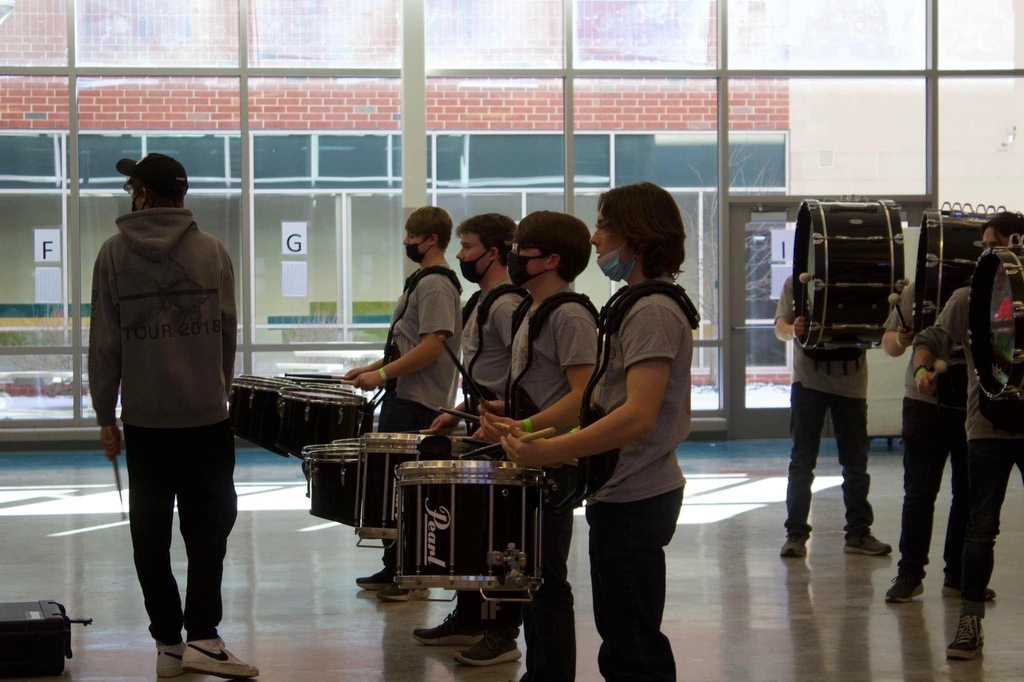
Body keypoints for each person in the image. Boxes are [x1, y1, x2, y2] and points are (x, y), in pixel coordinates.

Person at [502, 182, 695, 681]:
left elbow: (637, 415)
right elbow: (599, 402)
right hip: (620, 489)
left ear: (638, 236)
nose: (594, 239)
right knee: (622, 634)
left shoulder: (652, 310)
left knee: (632, 645)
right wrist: (531, 430)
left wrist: (551, 452)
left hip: (639, 493)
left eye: (605, 226)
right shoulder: (635, 303)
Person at [88, 153, 258, 679]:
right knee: (209, 531)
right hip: (207, 420)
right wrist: (215, 390)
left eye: (131, 186)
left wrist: (105, 413)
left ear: (140, 191)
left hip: (145, 423)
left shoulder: (113, 255)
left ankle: (168, 645)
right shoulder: (213, 252)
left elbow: (105, 342)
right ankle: (204, 636)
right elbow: (228, 334)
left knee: (150, 534)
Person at [477, 209, 598, 681]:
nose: (511, 257)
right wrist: (502, 410)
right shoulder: (530, 310)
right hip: (531, 457)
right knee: (529, 578)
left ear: (550, 259)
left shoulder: (569, 315)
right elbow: (544, 387)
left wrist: (522, 425)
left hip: (555, 463)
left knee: (547, 581)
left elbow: (582, 398)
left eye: (520, 249)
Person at [412, 213, 526, 666]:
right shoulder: (481, 300)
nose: (459, 256)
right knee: (476, 533)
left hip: (504, 433)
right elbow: (482, 375)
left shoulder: (506, 305)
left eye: (467, 247)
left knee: (507, 538)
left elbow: (520, 376)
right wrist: (458, 413)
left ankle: (504, 633)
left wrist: (504, 418)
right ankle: (470, 615)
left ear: (493, 252)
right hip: (479, 425)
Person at [910, 211, 1024, 660]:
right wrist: (921, 366)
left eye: (994, 244)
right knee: (981, 529)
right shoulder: (969, 295)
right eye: (984, 246)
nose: (986, 254)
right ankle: (969, 624)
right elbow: (932, 337)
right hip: (986, 426)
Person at [345, 205, 462, 601]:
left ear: (431, 240)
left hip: (419, 401)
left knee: (409, 490)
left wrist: (382, 376)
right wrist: (374, 367)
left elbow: (432, 346)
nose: (406, 242)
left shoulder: (435, 285)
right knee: (392, 487)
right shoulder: (421, 280)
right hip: (404, 395)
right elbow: (406, 345)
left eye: (413, 236)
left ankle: (411, 572)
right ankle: (395, 565)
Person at [881, 233, 997, 603]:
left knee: (966, 494)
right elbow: (889, 344)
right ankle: (909, 573)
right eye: (981, 244)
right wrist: (903, 343)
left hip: (972, 405)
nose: (984, 250)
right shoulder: (922, 288)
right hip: (923, 403)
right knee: (919, 493)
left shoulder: (997, 293)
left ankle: (957, 574)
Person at [775, 276, 891, 558]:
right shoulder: (797, 281)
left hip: (851, 382)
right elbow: (780, 327)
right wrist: (793, 328)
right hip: (808, 379)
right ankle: (796, 534)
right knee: (803, 460)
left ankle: (858, 533)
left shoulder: (866, 280)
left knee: (855, 462)